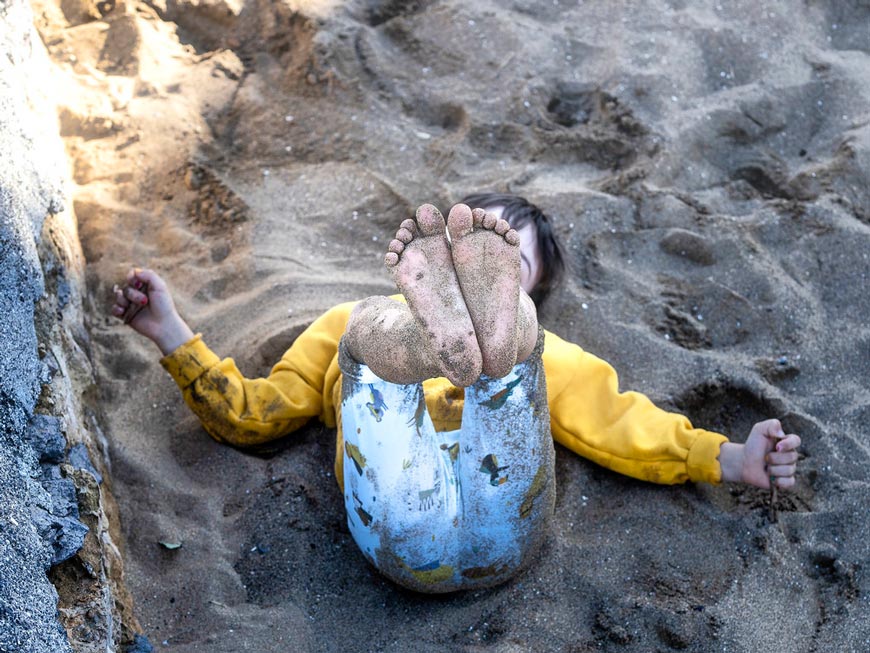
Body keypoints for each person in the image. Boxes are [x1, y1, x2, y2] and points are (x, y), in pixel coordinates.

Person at [110, 195, 801, 593]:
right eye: (473, 250)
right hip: (419, 525)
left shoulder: (544, 354)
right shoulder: (348, 322)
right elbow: (254, 414)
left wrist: (728, 457)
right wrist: (170, 330)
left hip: (471, 531)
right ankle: (413, 348)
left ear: (525, 291)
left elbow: (618, 420)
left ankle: (453, 345)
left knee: (452, 349)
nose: (486, 265)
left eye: (507, 265)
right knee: (373, 339)